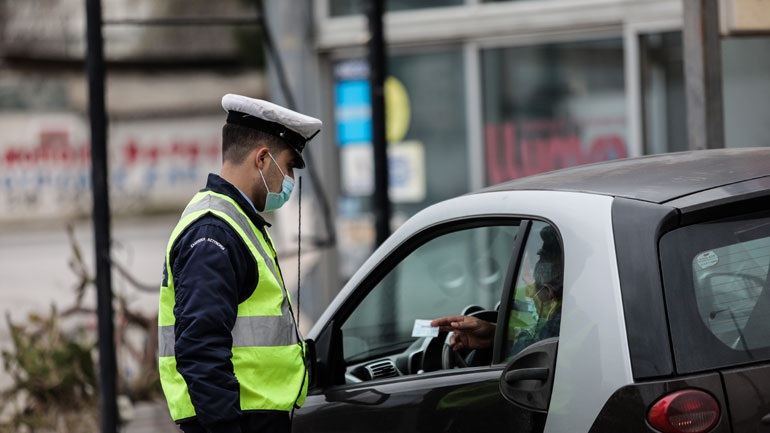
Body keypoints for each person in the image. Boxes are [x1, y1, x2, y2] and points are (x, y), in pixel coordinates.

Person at [157, 94, 322, 433]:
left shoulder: (234, 222)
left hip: (252, 416)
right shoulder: (213, 232)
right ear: (263, 159)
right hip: (239, 421)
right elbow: (200, 350)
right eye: (289, 166)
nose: (289, 179)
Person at [431, 225, 563, 359]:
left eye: (536, 256)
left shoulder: (569, 318)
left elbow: (539, 358)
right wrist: (495, 336)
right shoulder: (519, 297)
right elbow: (535, 339)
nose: (521, 264)